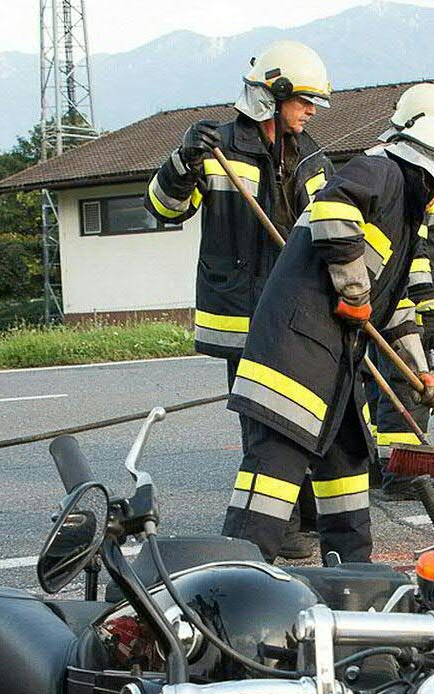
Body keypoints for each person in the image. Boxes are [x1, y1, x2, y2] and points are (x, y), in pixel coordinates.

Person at [222, 114, 434, 562]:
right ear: (433, 166)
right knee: (277, 466)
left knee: (347, 464)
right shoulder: (381, 171)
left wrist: (420, 374)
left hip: (331, 362)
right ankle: (235, 575)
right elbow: (334, 210)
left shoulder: (402, 220)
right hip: (293, 353)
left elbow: (393, 308)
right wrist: (354, 288)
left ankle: (352, 572)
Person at [148, 39, 333, 558]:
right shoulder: (215, 148)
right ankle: (279, 530)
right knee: (264, 423)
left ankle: (309, 517)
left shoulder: (313, 156)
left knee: (309, 414)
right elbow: (164, 208)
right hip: (240, 317)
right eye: (304, 101)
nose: (311, 111)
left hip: (299, 312)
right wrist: (182, 160)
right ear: (273, 96)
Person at [369, 83, 434, 501]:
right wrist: (431, 310)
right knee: (406, 379)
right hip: (395, 294)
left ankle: (381, 464)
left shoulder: (405, 164)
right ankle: (400, 473)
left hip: (389, 293)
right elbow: (417, 250)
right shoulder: (402, 171)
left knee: (386, 383)